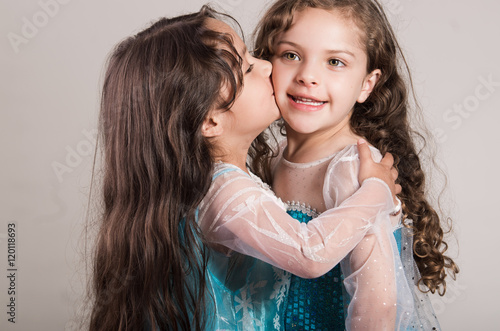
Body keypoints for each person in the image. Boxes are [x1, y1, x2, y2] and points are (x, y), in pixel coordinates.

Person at [88, 5, 402, 331]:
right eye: (248, 68)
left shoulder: (230, 178)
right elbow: (309, 253)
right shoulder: (225, 191)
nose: (267, 65)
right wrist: (376, 190)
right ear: (209, 119)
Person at [253, 0, 459, 330]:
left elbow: (376, 309)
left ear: (367, 84)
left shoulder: (353, 170)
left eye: (335, 61)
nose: (307, 76)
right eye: (291, 55)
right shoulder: (275, 155)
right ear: (267, 63)